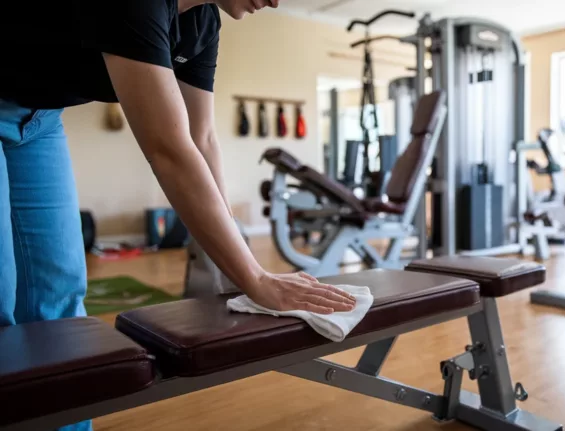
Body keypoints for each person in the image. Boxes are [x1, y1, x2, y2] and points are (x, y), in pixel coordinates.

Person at [1, 0, 356, 418]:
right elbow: (168, 150)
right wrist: (255, 277)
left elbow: (201, 140)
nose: (277, 0)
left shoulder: (202, 26)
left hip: (40, 121)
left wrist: (234, 269)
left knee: (58, 297)